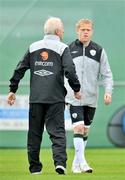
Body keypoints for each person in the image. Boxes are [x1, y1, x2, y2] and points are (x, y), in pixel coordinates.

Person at [7, 17, 81, 175]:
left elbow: (19, 68)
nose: (63, 31)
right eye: (62, 29)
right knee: (58, 133)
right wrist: (76, 88)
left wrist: (13, 89)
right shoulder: (62, 48)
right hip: (55, 98)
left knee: (34, 134)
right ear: (58, 31)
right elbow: (70, 69)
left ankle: (34, 168)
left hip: (36, 99)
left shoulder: (33, 47)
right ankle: (60, 163)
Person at [65, 19, 113, 173]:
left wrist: (108, 91)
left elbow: (107, 74)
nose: (85, 32)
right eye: (83, 29)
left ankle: (75, 163)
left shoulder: (99, 50)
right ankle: (84, 163)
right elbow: (61, 73)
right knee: (78, 128)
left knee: (85, 130)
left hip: (91, 98)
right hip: (74, 97)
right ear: (77, 31)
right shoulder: (68, 49)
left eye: (88, 30)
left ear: (92, 31)